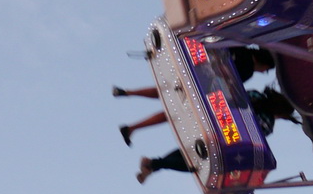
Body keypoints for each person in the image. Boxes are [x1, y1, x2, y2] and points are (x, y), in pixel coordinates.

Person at [116, 46, 276, 145]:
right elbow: (228, 84)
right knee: (173, 113)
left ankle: (127, 92)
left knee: (165, 91)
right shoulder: (247, 71)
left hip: (197, 68)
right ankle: (132, 128)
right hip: (204, 87)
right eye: (266, 70)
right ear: (264, 64)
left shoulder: (240, 47)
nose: (263, 73)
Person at [135, 87, 301, 183]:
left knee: (190, 153)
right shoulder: (268, 125)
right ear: (281, 114)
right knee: (196, 164)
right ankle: (153, 164)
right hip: (223, 138)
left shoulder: (254, 95)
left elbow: (232, 98)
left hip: (212, 118)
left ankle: (153, 165)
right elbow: (250, 139)